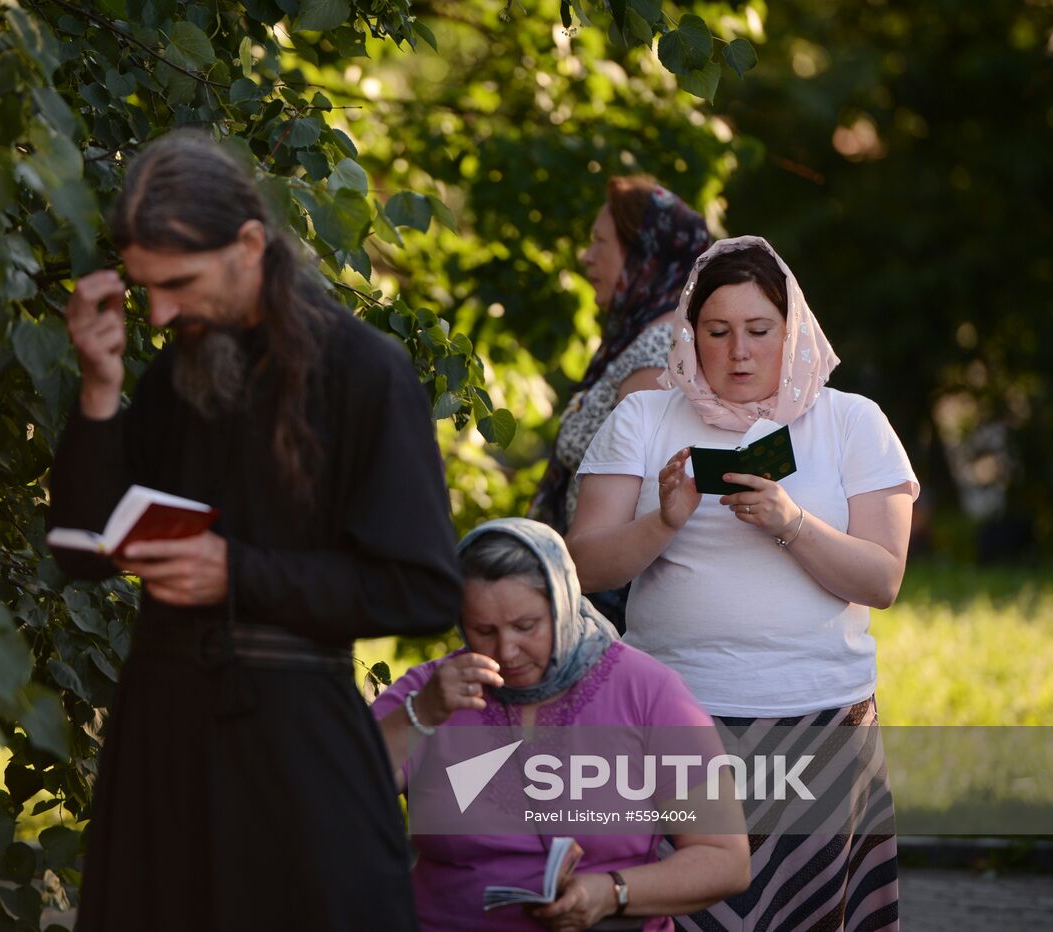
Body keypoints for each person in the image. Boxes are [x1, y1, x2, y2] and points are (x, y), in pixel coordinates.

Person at [47, 131, 463, 931]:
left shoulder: (364, 372)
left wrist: (240, 573)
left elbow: (422, 590)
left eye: (178, 284)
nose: (160, 313)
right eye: (145, 291)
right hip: (161, 743)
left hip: (295, 752)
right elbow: (80, 553)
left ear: (247, 245)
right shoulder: (179, 372)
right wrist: (100, 392)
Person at [568, 237, 918, 931]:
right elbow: (581, 566)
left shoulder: (851, 422)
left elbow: (883, 579)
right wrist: (664, 522)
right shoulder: (643, 418)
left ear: (793, 331)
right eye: (717, 332)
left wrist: (791, 523)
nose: (738, 352)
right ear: (689, 335)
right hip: (675, 717)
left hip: (819, 718)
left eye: (759, 331)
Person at [373, 517, 749, 931]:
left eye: (525, 626)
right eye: (484, 630)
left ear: (564, 603)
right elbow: (335, 792)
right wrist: (420, 716)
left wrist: (613, 892)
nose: (506, 650)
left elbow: (724, 859)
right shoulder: (433, 691)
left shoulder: (646, 690)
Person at [528, 177, 712, 630]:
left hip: (611, 612)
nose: (587, 257)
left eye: (600, 243)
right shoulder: (638, 340)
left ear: (645, 256)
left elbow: (637, 498)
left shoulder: (656, 354)